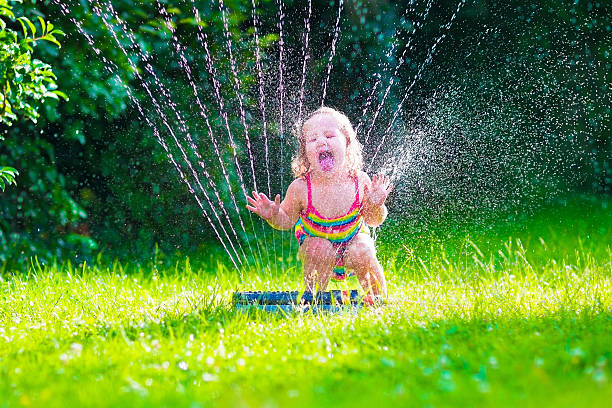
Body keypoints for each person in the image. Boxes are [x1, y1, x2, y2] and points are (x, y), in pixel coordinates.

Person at [246, 107, 392, 297]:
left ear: (347, 143)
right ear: (305, 153)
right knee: (318, 248)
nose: (321, 141)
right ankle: (314, 300)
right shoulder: (300, 188)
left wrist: (374, 204)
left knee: (364, 249)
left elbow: (374, 220)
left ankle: (378, 299)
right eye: (313, 139)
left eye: (330, 136)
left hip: (353, 242)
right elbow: (287, 221)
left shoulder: (360, 181)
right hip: (317, 247)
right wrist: (274, 215)